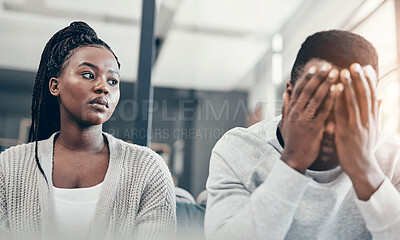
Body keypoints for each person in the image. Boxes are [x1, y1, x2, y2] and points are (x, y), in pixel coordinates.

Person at [204, 30, 400, 240]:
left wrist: (365, 170)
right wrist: (292, 162)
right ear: (289, 98)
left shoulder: (392, 158)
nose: (332, 128)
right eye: (318, 104)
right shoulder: (238, 149)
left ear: (374, 111)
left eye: (350, 109)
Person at [0, 21, 176, 240]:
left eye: (113, 80)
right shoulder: (9, 167)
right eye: (88, 75)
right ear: (56, 86)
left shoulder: (148, 168)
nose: (103, 87)